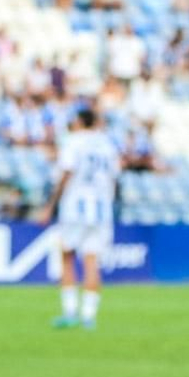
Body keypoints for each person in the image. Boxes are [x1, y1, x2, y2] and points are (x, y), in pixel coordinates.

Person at [40, 108, 119, 331]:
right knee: (92, 260)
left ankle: (70, 312)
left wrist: (50, 205)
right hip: (102, 209)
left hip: (76, 206)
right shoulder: (107, 144)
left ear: (80, 122)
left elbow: (67, 172)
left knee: (66, 255)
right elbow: (113, 177)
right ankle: (89, 317)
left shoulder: (73, 142)